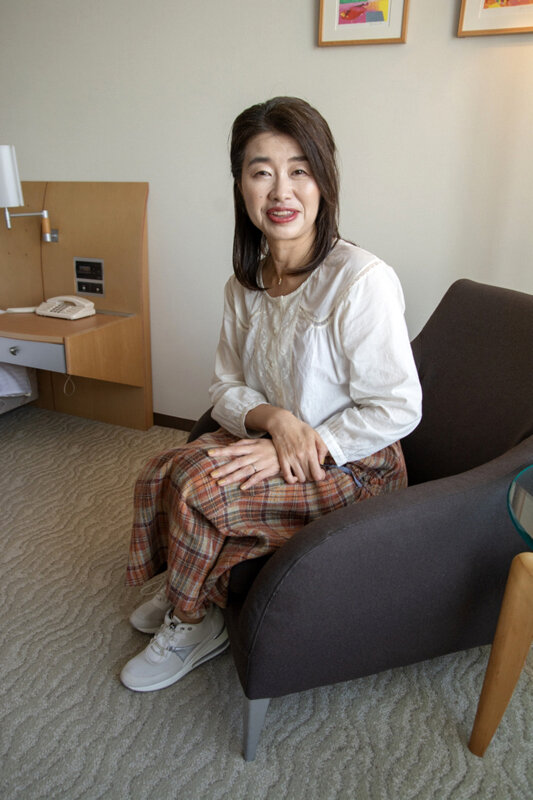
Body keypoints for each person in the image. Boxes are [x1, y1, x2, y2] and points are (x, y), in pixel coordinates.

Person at [120, 97, 422, 692]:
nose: (281, 191)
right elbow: (225, 385)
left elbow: (398, 407)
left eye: (299, 170)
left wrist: (302, 441)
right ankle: (189, 586)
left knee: (201, 488)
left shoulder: (361, 280)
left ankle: (192, 621)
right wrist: (276, 422)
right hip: (279, 438)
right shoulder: (245, 283)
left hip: (354, 463)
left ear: (324, 181)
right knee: (163, 467)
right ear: (241, 186)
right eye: (261, 172)